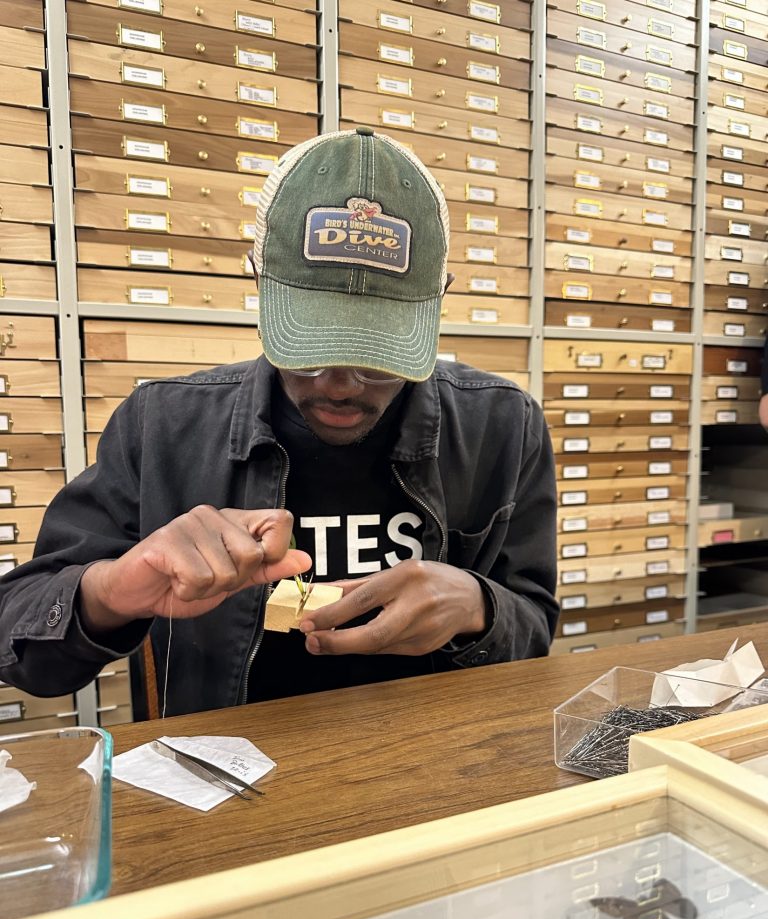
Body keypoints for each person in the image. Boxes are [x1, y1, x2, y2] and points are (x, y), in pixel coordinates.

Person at [0, 127, 558, 716]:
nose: (340, 385)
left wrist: (479, 608)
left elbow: (534, 624)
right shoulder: (162, 425)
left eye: (376, 359)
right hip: (222, 774)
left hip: (435, 765)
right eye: (309, 350)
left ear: (439, 301)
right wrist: (115, 588)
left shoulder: (502, 424)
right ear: (258, 282)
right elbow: (20, 645)